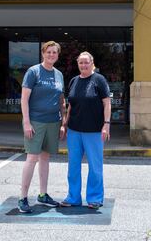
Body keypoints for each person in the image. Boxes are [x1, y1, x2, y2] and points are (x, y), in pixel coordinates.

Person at [18, 41, 66, 213]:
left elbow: (61, 100)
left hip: (53, 121)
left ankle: (43, 195)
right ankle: (23, 197)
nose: (51, 55)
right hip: (36, 121)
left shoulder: (59, 75)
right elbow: (24, 99)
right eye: (48, 52)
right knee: (32, 158)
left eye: (54, 52)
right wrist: (26, 122)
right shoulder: (33, 72)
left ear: (57, 55)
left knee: (45, 158)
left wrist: (63, 122)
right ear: (43, 53)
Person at [60, 51, 111, 209]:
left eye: (86, 62)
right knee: (73, 165)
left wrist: (106, 124)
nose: (83, 65)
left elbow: (107, 103)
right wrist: (65, 124)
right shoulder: (74, 81)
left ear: (92, 62)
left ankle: (95, 198)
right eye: (80, 63)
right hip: (74, 131)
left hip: (94, 131)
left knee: (95, 166)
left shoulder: (99, 80)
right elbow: (71, 105)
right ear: (78, 64)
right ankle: (73, 197)